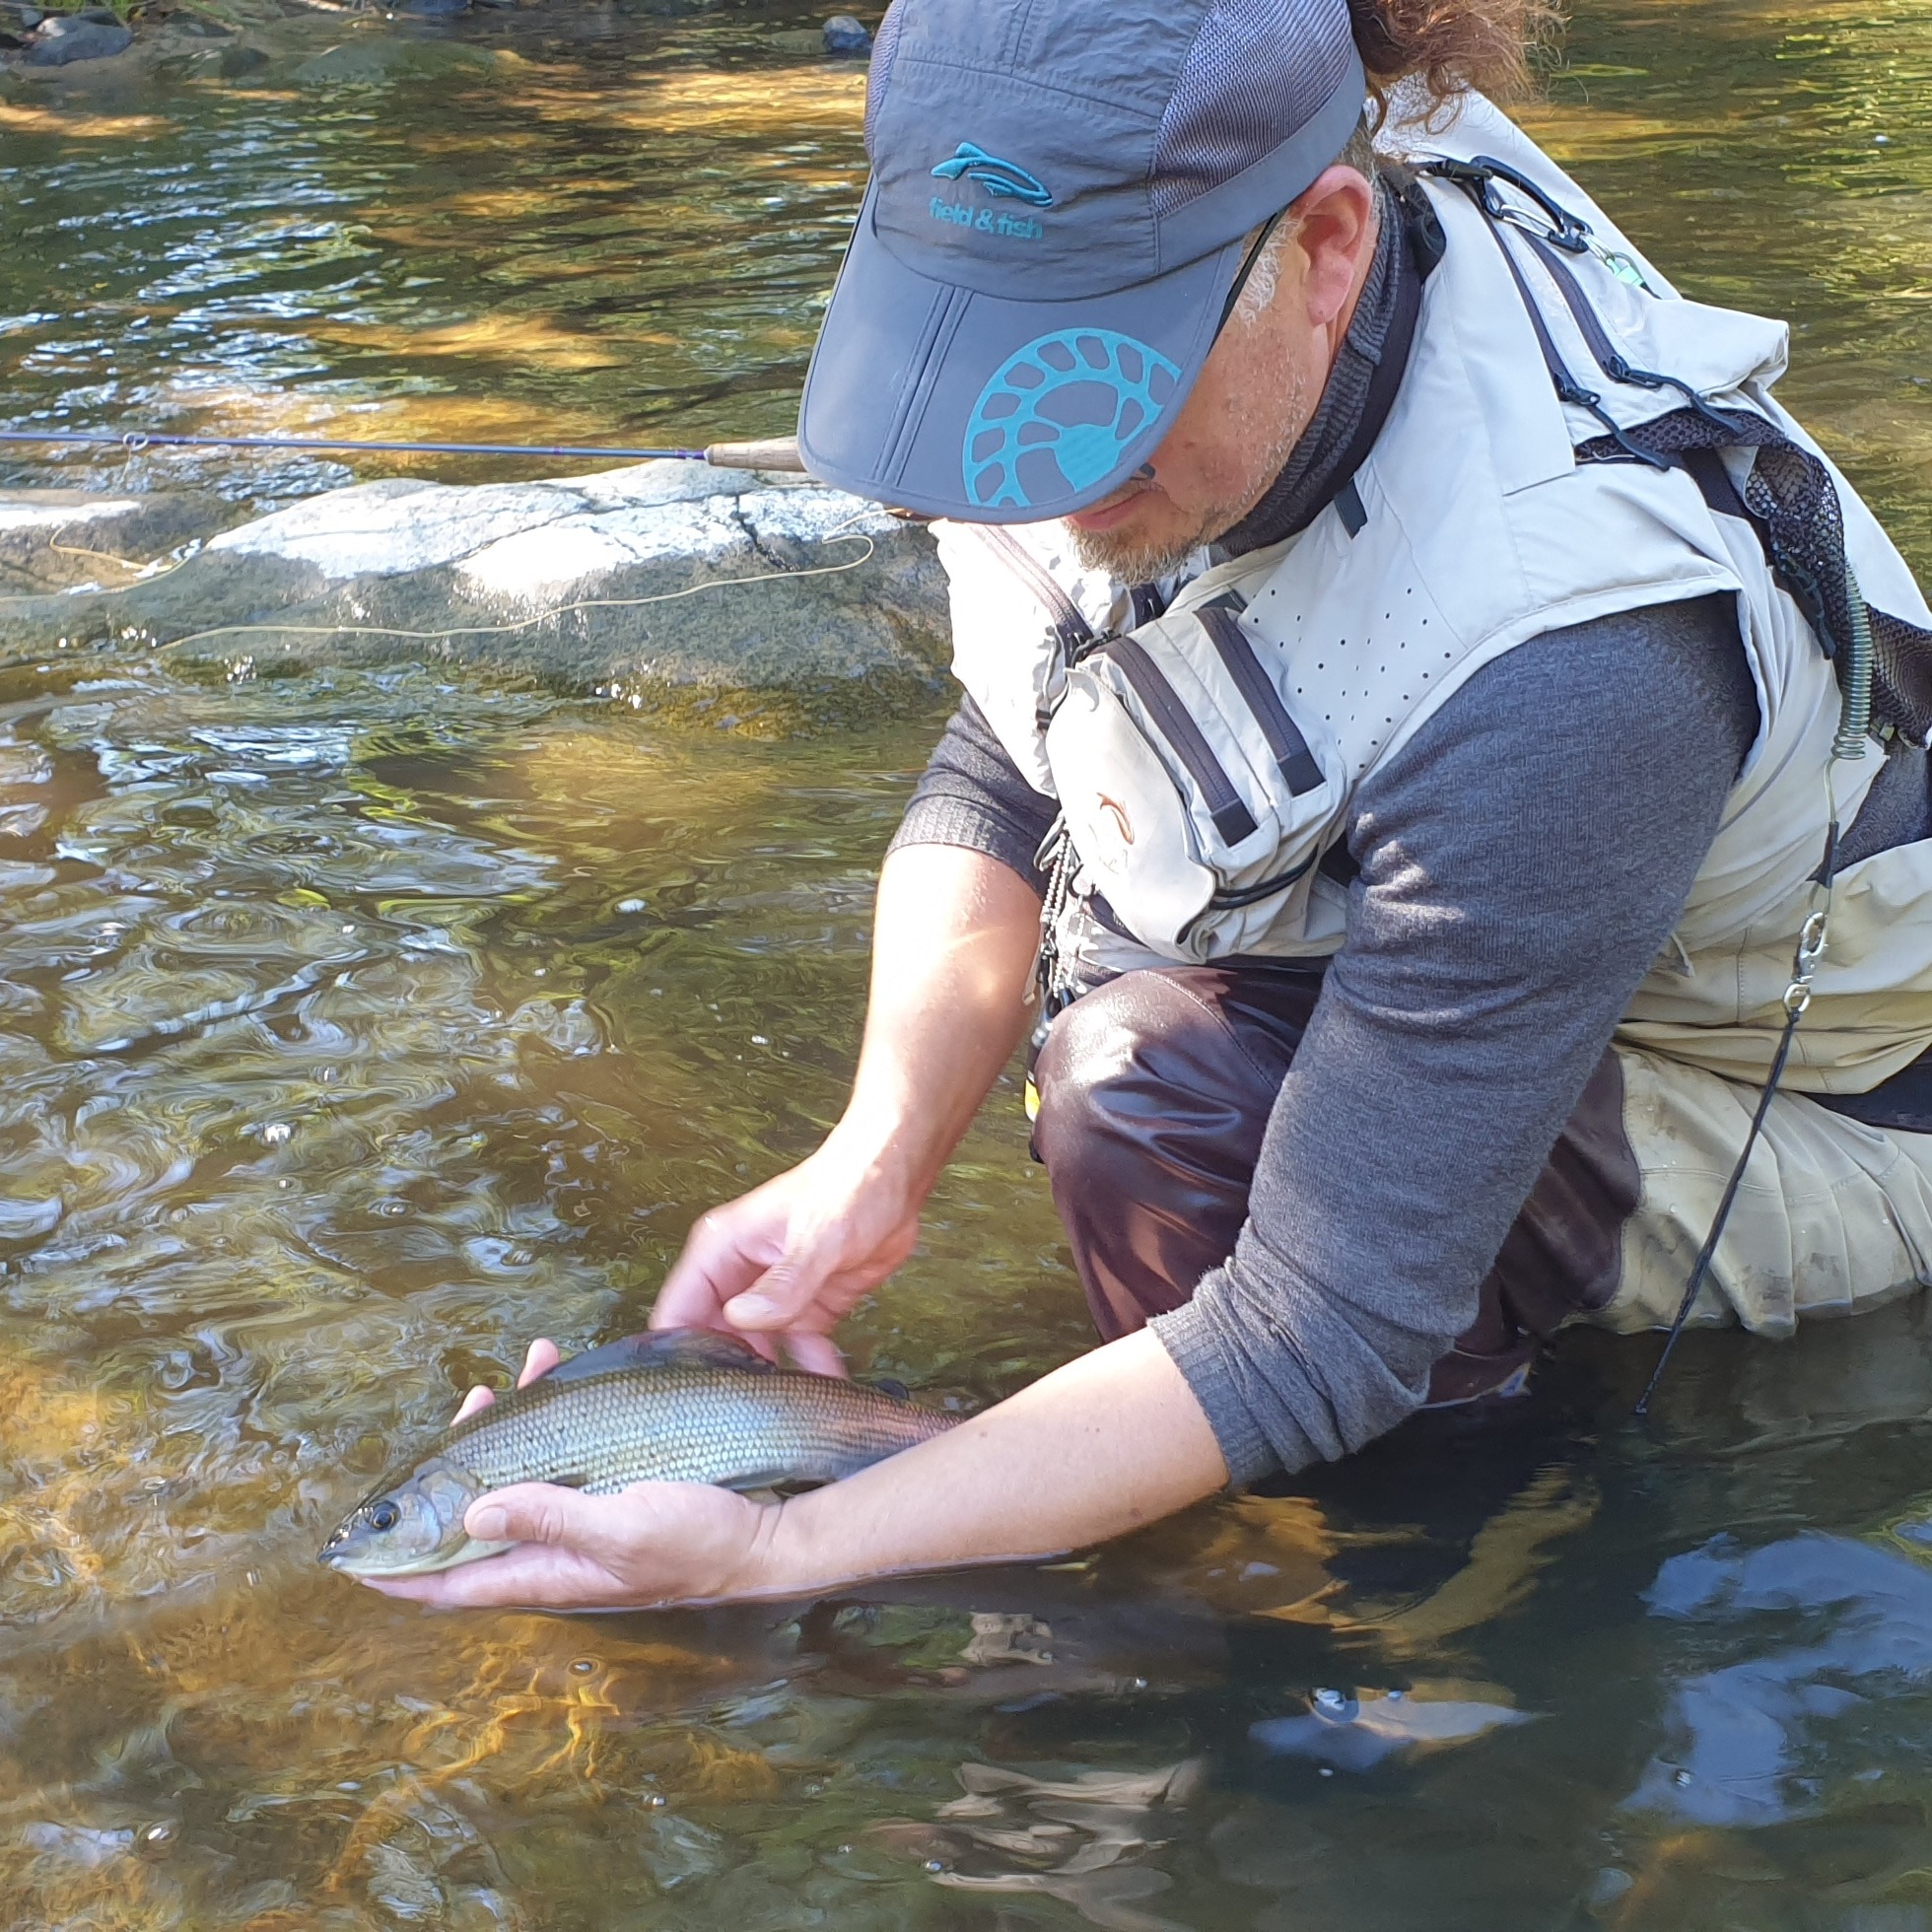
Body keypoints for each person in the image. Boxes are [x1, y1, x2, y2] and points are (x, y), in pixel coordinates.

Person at [368, 0, 1932, 1614]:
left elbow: (1316, 1323)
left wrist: (787, 1549)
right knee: (1142, 1054)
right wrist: (874, 1162)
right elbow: (1013, 749)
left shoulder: (1572, 658)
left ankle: (1422, 1607)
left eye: (1095, 406)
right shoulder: (1188, 334)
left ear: (1328, 247)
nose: (1036, 479)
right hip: (1534, 979)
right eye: (983, 369)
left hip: (1821, 1121)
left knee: (1152, 1099)